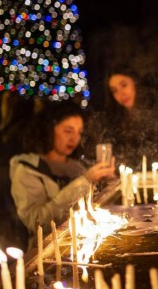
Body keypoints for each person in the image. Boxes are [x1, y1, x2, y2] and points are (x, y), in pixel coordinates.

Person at [10, 100, 116, 250]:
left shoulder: (75, 167)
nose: (74, 138)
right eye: (68, 130)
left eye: (79, 132)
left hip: (82, 246)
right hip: (47, 254)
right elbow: (37, 222)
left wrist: (107, 183)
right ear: (49, 129)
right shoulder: (27, 170)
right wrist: (84, 181)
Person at [86, 64, 158, 168]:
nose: (121, 94)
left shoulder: (156, 113)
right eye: (114, 91)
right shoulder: (115, 122)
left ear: (135, 82)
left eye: (124, 85)